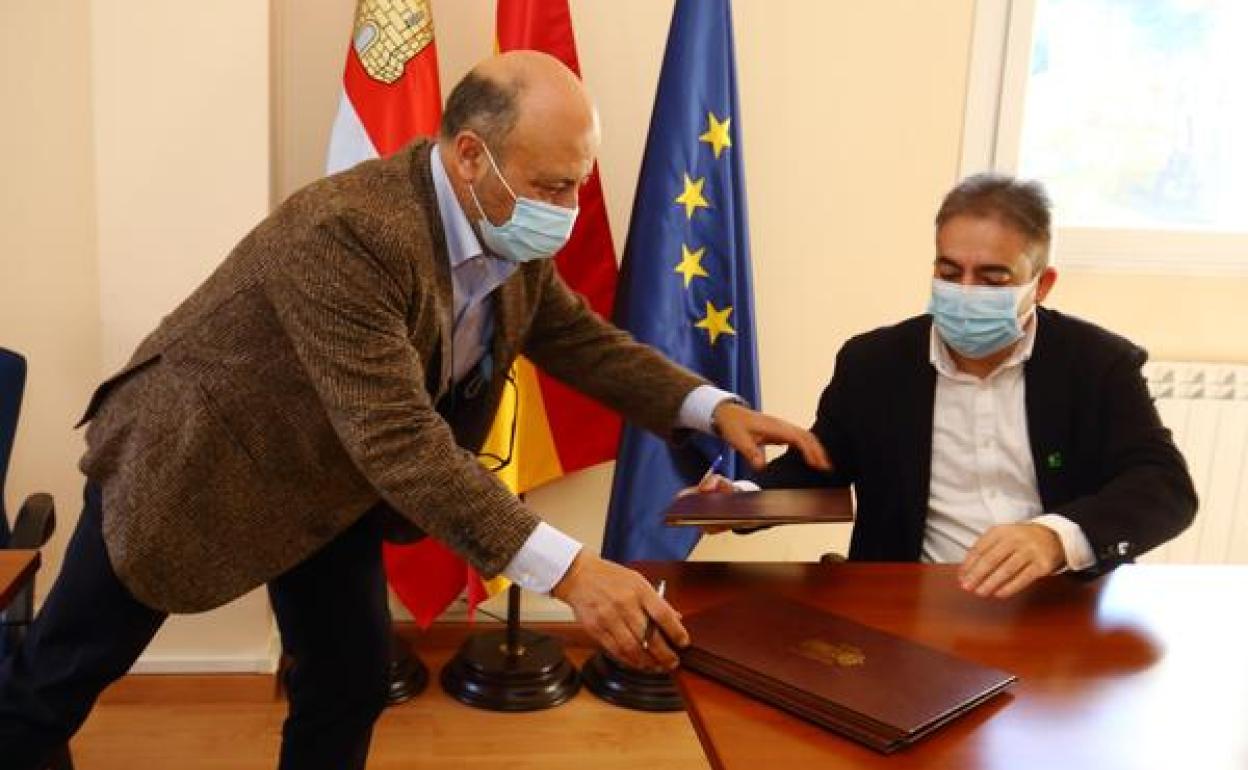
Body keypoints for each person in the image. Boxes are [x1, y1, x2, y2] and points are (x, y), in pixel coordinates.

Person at [0, 51, 828, 770]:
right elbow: (399, 439)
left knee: (350, 682)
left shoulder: (507, 230)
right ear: (471, 156)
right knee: (56, 684)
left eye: (578, 183)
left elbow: (578, 340)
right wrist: (573, 572)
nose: (570, 208)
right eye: (553, 185)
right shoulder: (347, 231)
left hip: (332, 481)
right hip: (199, 467)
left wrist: (711, 408)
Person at [698, 173, 1196, 598]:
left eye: (993, 279)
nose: (966, 292)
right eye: (950, 271)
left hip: (1059, 606)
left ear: (1041, 285)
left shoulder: (1097, 363)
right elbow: (819, 469)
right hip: (908, 603)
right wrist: (737, 497)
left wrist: (1055, 539)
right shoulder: (875, 363)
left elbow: (1164, 487)